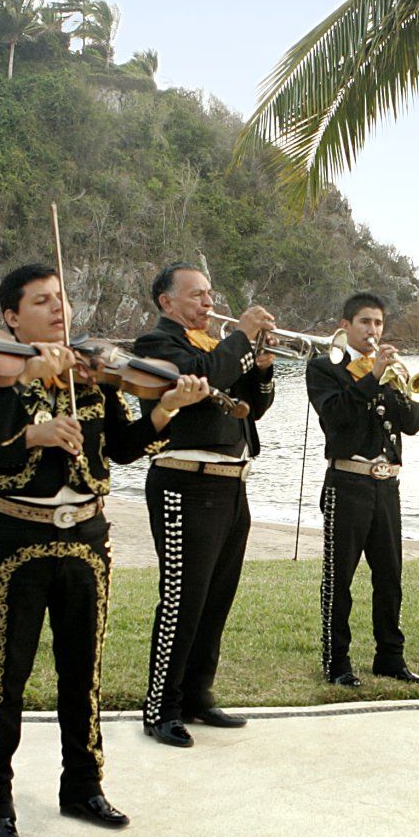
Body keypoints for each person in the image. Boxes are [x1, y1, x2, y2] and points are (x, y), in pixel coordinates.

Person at [0, 264, 210, 837]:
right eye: (43, 301)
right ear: (10, 316)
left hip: (88, 537)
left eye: (62, 301)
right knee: (7, 676)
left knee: (83, 672)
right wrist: (33, 434)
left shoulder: (92, 371)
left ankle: (83, 786)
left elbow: (123, 449)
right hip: (20, 537)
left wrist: (166, 409)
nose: (58, 311)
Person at [130, 263, 277, 747]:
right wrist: (239, 338)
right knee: (182, 600)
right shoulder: (158, 346)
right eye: (196, 296)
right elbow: (199, 382)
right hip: (183, 483)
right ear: (167, 302)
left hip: (232, 482)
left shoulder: (218, 347)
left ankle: (197, 694)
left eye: (210, 295)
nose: (208, 304)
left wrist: (262, 368)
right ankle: (161, 707)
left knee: (217, 597)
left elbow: (252, 408)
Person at [306, 292, 419, 687]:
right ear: (346, 326)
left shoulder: (390, 373)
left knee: (390, 577)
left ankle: (390, 657)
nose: (372, 330)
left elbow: (413, 424)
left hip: (386, 485)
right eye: (365, 323)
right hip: (347, 482)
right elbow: (336, 414)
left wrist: (402, 385)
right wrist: (373, 377)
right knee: (339, 577)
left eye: (378, 323)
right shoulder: (325, 368)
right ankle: (336, 661)